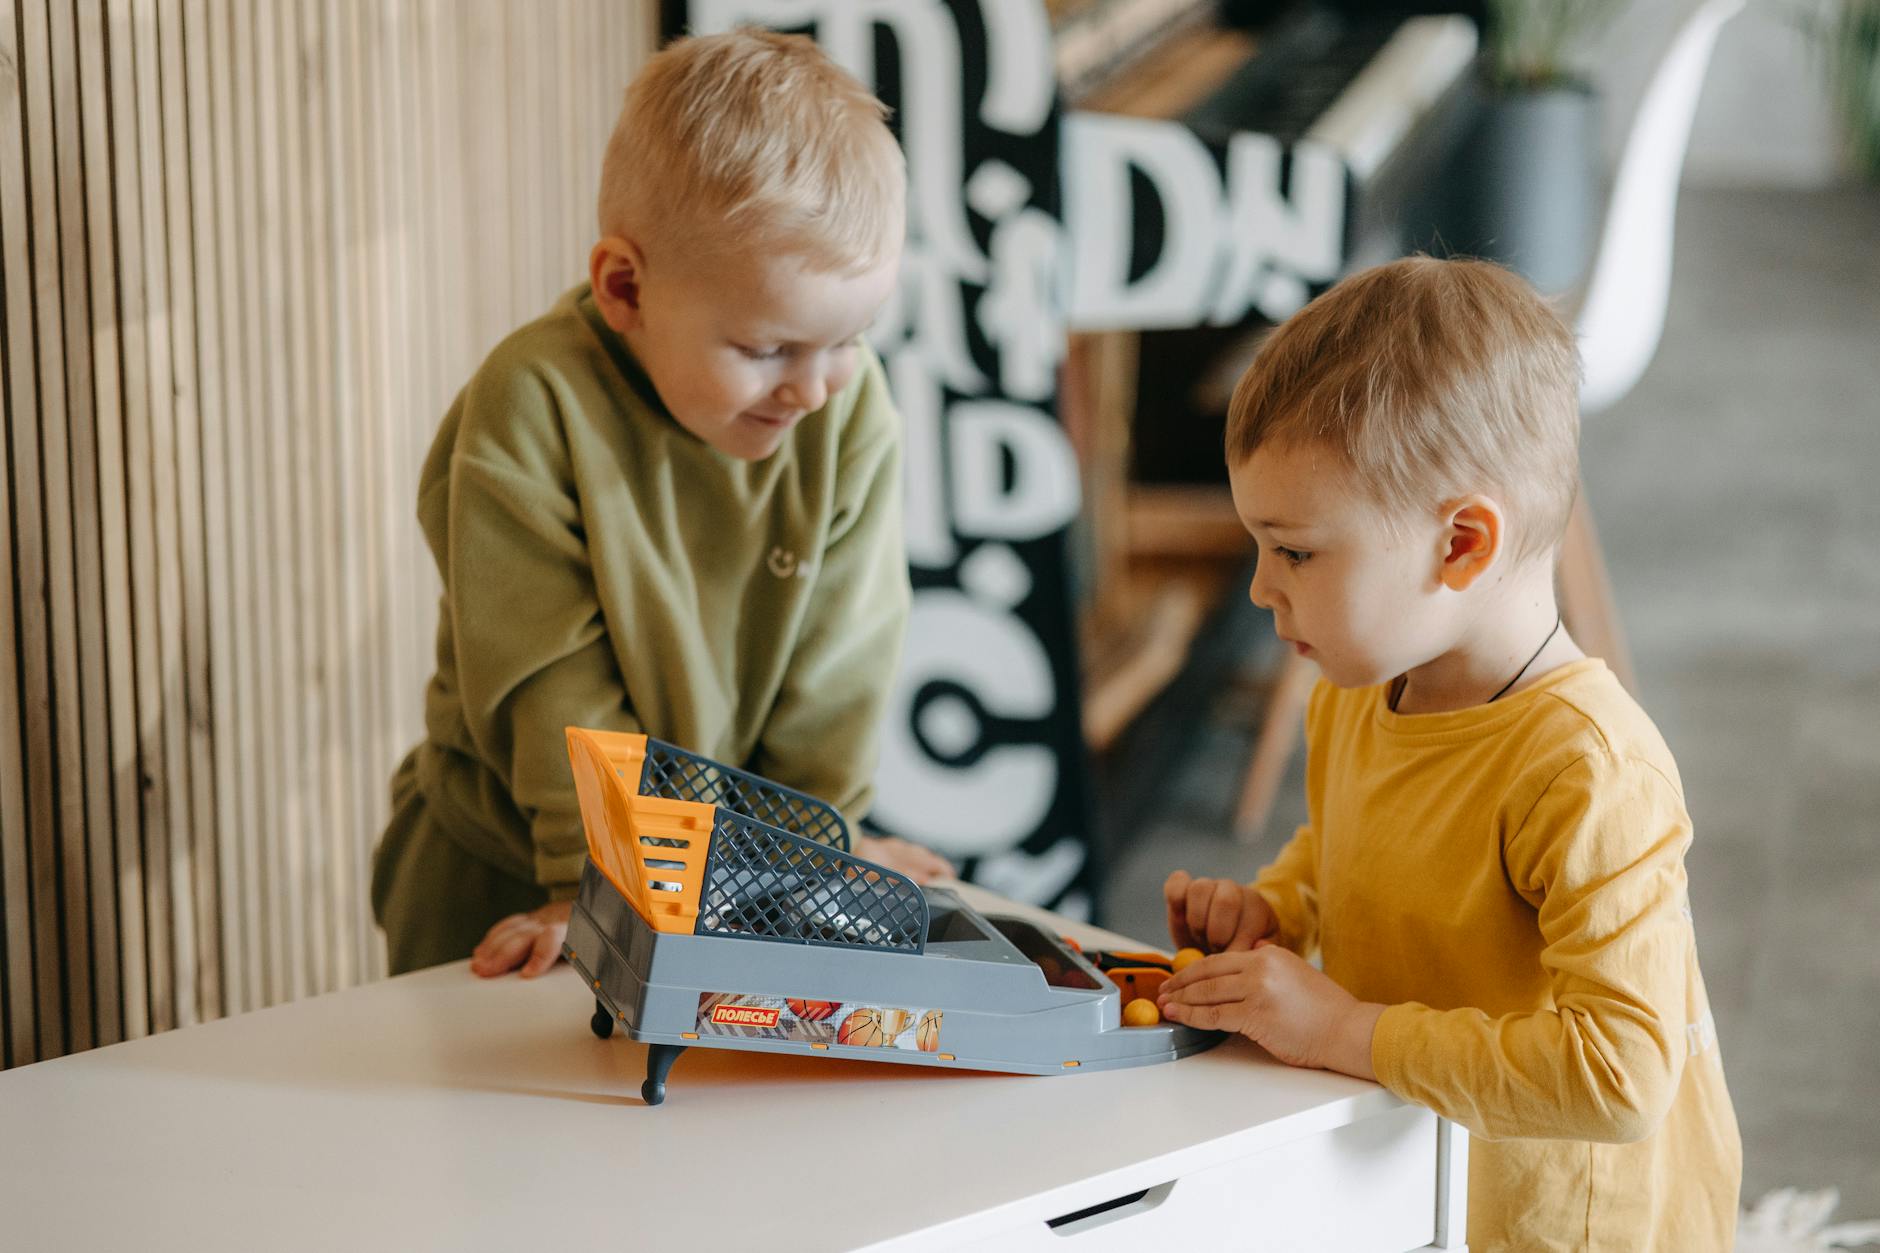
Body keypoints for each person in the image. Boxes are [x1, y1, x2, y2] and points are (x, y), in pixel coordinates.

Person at [1156, 257, 1741, 1249]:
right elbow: (1351, 846)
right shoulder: (1356, 691)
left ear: (1460, 545)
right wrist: (1279, 910)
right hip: (1424, 1174)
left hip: (1566, 1224)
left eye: (1292, 550)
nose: (1260, 588)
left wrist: (1342, 1029)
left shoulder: (1586, 771)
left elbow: (1620, 1073)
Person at [372, 27, 949, 980]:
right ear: (626, 286)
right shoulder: (531, 406)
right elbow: (549, 686)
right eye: (769, 349)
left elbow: (839, 674)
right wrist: (595, 878)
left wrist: (817, 855)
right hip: (516, 873)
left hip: (733, 876)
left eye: (849, 339)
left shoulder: (847, 411)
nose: (814, 387)